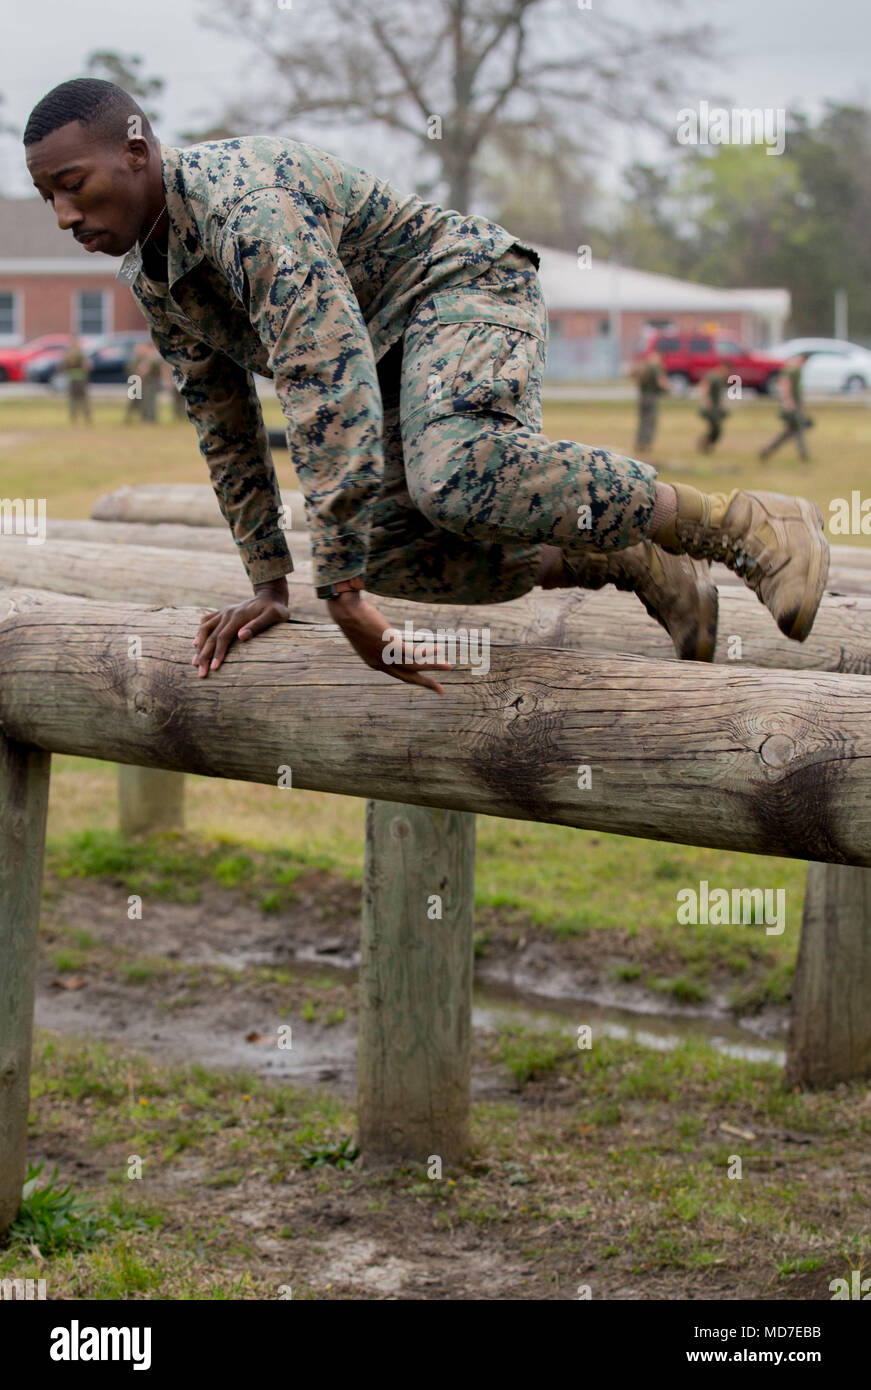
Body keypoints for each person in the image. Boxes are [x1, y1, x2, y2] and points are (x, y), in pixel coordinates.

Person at [24, 79, 830, 693]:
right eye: (46, 196)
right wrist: (272, 584)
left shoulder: (247, 210)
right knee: (386, 548)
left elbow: (322, 378)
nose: (64, 216)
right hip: (383, 358)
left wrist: (339, 598)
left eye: (73, 184)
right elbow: (222, 420)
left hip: (458, 288)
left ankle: (737, 524)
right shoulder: (152, 272)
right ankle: (623, 556)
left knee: (456, 468)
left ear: (136, 152)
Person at [760, 352, 812, 462]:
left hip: (795, 405)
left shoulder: (796, 370)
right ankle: (803, 455)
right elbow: (785, 384)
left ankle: (767, 451)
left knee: (790, 432)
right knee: (798, 429)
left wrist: (802, 406)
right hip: (791, 406)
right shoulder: (792, 370)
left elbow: (798, 391)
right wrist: (787, 402)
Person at [631, 350, 669, 455]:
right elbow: (661, 382)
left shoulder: (644, 367)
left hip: (642, 397)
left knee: (642, 421)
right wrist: (667, 390)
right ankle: (646, 443)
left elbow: (633, 375)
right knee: (650, 421)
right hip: (652, 397)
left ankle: (639, 442)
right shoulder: (655, 368)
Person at [125, 340, 162, 423]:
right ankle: (131, 418)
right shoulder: (138, 358)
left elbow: (150, 369)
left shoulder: (152, 358)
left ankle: (150, 419)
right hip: (137, 383)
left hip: (149, 383)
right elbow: (130, 368)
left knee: (149, 402)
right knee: (135, 401)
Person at [697, 363, 729, 454]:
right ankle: (704, 444)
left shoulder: (720, 378)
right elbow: (705, 385)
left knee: (716, 429)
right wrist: (706, 401)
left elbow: (719, 394)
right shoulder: (714, 376)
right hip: (711, 408)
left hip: (716, 408)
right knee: (716, 428)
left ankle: (706, 445)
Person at [60, 334, 91, 423]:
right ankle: (86, 417)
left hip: (73, 378)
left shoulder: (68, 353)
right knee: (82, 399)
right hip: (80, 378)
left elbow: (63, 366)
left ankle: (74, 418)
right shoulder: (80, 353)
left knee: (74, 399)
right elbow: (87, 366)